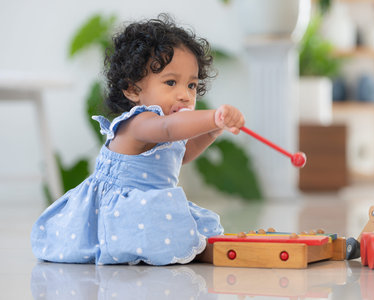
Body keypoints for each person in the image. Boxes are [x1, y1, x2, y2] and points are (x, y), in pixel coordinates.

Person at [31, 14, 245, 265]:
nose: (185, 95)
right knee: (167, 228)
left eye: (192, 86)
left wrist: (212, 132)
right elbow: (168, 129)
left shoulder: (164, 125)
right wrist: (212, 118)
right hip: (118, 209)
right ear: (133, 89)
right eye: (171, 82)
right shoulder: (140, 123)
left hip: (148, 202)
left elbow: (182, 154)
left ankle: (195, 249)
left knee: (185, 226)